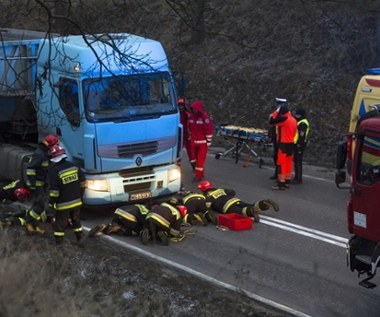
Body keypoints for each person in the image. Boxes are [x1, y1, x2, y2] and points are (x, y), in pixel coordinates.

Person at [47, 144, 86, 245]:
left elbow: (55, 191)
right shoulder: (74, 166)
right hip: (77, 202)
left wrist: (52, 203)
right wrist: (80, 196)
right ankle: (80, 239)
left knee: (60, 224)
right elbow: (83, 183)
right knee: (76, 221)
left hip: (63, 205)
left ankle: (59, 245)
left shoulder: (54, 171)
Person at [197, 180, 279, 223]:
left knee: (242, 211)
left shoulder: (207, 196)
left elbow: (207, 206)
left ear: (203, 189)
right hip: (235, 200)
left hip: (227, 207)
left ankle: (251, 212)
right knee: (251, 205)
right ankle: (264, 203)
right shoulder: (220, 189)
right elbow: (232, 192)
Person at [25, 134, 59, 234]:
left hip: (42, 185)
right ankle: (28, 222)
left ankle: (33, 225)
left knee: (37, 205)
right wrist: (32, 185)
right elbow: (31, 169)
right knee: (40, 205)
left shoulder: (44, 153)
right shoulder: (40, 154)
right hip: (37, 185)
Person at [269, 103, 297, 190]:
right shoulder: (293, 119)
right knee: (288, 162)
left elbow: (272, 121)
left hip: (283, 144)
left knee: (281, 163)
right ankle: (287, 181)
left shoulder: (284, 119)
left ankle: (280, 183)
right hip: (291, 143)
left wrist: (275, 112)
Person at [188, 100, 214, 182]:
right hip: (194, 142)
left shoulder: (205, 118)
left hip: (202, 143)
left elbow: (209, 130)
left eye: (196, 109)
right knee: (196, 159)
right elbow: (189, 128)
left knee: (200, 160)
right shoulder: (191, 117)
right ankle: (200, 173)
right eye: (193, 109)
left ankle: (198, 176)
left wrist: (208, 141)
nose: (195, 111)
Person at [268, 98, 287, 180]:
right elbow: (272, 124)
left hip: (282, 139)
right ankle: (277, 173)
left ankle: (280, 174)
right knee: (276, 156)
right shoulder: (276, 114)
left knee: (280, 158)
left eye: (279, 105)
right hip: (276, 138)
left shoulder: (283, 116)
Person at [293, 108, 310, 184]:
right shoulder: (299, 121)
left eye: (298, 114)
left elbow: (301, 135)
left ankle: (298, 178)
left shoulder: (303, 123)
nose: (296, 115)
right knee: (296, 160)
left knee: (298, 160)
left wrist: (299, 144)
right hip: (298, 143)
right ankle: (297, 177)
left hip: (300, 144)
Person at [178, 98, 193, 166]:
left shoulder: (188, 114)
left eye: (182, 105)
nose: (181, 107)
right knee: (178, 151)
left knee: (191, 152)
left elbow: (191, 125)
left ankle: (194, 166)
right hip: (179, 136)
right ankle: (177, 164)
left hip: (187, 136)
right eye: (179, 106)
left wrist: (191, 134)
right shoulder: (176, 114)